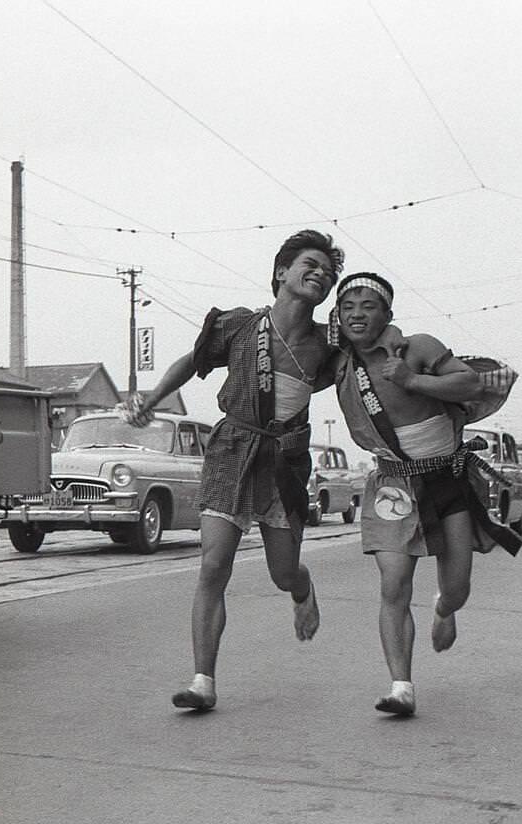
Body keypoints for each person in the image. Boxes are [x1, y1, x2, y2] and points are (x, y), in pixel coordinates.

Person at [123, 229, 344, 711]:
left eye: (328, 273)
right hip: (231, 450)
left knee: (282, 572)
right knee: (213, 565)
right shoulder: (242, 326)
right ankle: (204, 680)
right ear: (281, 272)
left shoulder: (330, 343)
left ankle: (302, 590)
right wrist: (154, 399)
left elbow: (377, 354)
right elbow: (193, 360)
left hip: (283, 462)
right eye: (310, 264)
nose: (320, 274)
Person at [329, 272, 521, 716]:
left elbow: (471, 384)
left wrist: (411, 380)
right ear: (337, 317)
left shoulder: (418, 347)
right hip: (391, 483)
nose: (357, 314)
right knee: (393, 584)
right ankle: (401, 686)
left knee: (457, 588)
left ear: (388, 314)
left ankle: (443, 608)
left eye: (368, 305)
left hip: (445, 477)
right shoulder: (337, 362)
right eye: (348, 307)